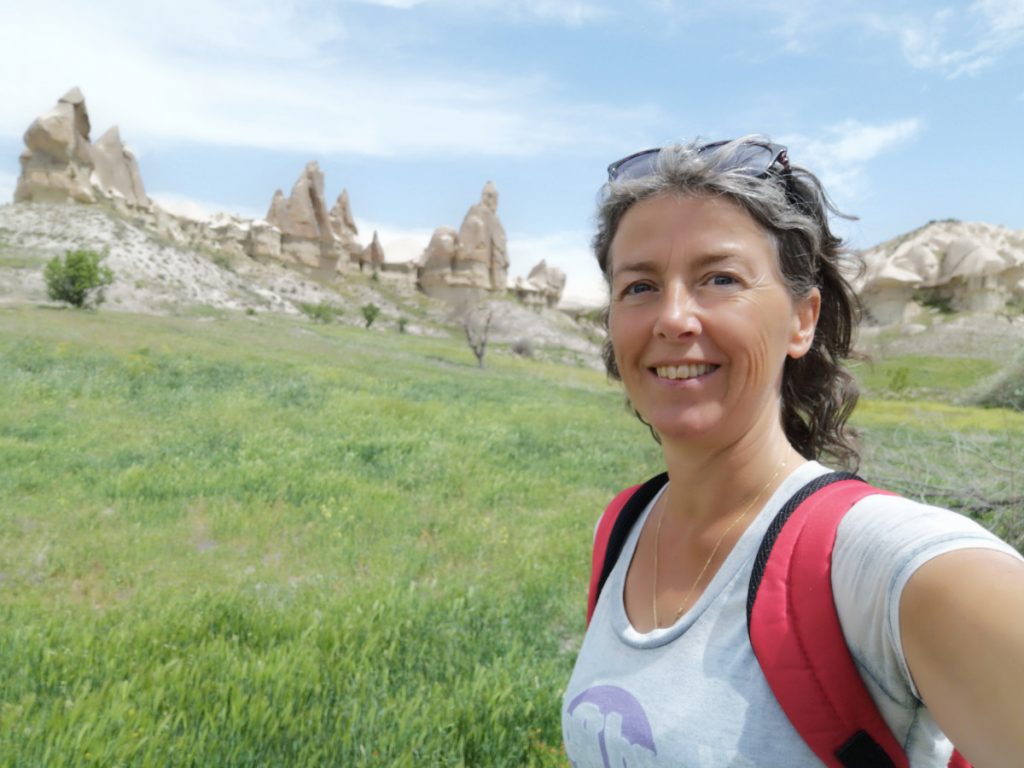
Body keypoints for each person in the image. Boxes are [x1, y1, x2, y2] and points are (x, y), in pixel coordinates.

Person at [561, 138, 1024, 767]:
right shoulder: (621, 529)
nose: (672, 318)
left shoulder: (884, 566)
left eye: (719, 279)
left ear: (802, 319)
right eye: (639, 286)